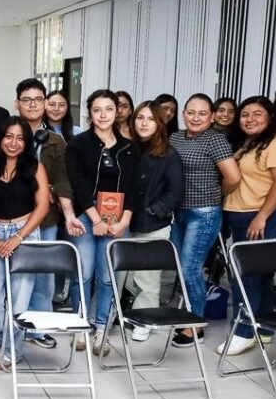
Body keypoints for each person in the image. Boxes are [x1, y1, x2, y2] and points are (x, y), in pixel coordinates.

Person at [218, 96, 276, 356]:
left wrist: (262, 216)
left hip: (268, 216)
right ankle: (263, 328)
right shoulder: (245, 143)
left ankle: (242, 332)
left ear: (270, 117)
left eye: (257, 114)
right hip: (242, 215)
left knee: (246, 275)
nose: (249, 119)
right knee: (260, 275)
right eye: (245, 114)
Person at [65, 89, 140, 354]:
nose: (103, 115)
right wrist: (95, 218)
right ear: (90, 113)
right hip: (86, 218)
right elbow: (78, 183)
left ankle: (101, 329)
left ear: (117, 111)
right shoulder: (78, 144)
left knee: (108, 277)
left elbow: (133, 187)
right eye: (97, 110)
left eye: (109, 109)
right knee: (83, 274)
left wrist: (125, 220)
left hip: (118, 219)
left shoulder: (129, 147)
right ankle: (80, 326)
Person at [0, 118, 52, 369]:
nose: (13, 143)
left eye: (20, 138)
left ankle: (12, 350)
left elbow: (42, 207)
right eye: (9, 136)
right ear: (0, 138)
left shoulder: (35, 167)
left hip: (25, 234)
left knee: (20, 298)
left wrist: (18, 237)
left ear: (27, 142)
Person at [168, 94, 241, 346]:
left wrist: (214, 195)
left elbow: (233, 178)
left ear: (211, 117)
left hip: (204, 213)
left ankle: (196, 324)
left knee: (190, 267)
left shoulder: (215, 139)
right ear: (183, 114)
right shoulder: (176, 138)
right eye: (191, 112)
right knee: (182, 267)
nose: (195, 118)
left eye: (202, 113)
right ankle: (190, 312)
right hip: (179, 212)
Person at [14, 79, 79, 320]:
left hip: (47, 218)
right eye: (27, 100)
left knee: (44, 274)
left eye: (38, 99)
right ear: (17, 103)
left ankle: (40, 327)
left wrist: (69, 215)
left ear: (45, 103)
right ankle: (15, 324)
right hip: (13, 216)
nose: (33, 104)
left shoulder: (55, 140)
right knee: (17, 275)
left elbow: (63, 180)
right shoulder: (7, 135)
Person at [127, 101, 184, 341]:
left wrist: (154, 211)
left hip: (152, 224)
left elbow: (176, 192)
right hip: (124, 223)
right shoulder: (128, 149)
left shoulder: (168, 154)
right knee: (127, 276)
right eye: (140, 118)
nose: (144, 123)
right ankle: (132, 313)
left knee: (148, 278)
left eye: (151, 119)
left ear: (160, 124)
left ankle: (145, 320)